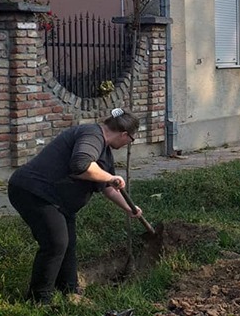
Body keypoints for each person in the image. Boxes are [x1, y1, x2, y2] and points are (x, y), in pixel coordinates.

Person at [7, 108, 141, 304]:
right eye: (132, 139)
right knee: (55, 243)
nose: (129, 143)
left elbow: (108, 188)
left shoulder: (104, 150)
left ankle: (69, 290)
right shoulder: (92, 135)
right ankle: (39, 299)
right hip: (33, 192)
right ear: (124, 134)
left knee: (67, 243)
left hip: (58, 201)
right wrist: (110, 177)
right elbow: (81, 164)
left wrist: (129, 207)